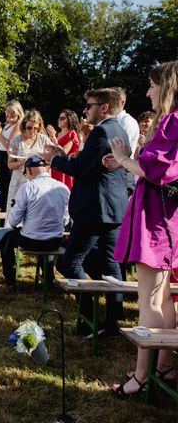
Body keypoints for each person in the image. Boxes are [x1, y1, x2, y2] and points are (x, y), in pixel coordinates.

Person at [105, 62, 178, 397]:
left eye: (151, 85)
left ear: (166, 87)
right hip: (162, 220)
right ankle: (165, 366)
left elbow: (156, 172)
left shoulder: (171, 122)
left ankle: (141, 376)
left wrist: (123, 158)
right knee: (161, 299)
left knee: (147, 298)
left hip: (157, 222)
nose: (148, 92)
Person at [46, 87, 129, 337]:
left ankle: (87, 318)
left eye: (89, 105)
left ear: (103, 107)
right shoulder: (120, 130)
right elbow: (93, 167)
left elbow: (81, 168)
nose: (85, 111)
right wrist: (65, 155)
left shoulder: (102, 131)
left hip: (94, 209)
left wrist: (57, 160)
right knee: (112, 267)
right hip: (114, 209)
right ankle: (113, 323)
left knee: (70, 262)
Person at [0, 155, 69, 288]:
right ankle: (48, 277)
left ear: (29, 170)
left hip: (31, 241)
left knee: (5, 238)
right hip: (54, 241)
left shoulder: (27, 188)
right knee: (45, 236)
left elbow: (13, 221)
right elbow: (66, 219)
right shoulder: (63, 188)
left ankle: (10, 281)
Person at [6, 109, 52, 211]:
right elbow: (9, 165)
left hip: (38, 183)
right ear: (24, 126)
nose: (32, 131)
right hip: (18, 182)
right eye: (29, 127)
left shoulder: (43, 139)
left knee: (36, 213)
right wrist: (21, 163)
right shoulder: (16, 140)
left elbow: (53, 157)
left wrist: (41, 157)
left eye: (36, 128)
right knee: (15, 211)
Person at [0, 100, 23, 212]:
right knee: (3, 188)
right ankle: (3, 214)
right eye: (7, 112)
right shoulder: (7, 126)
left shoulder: (18, 125)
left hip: (9, 158)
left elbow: (9, 145)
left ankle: (7, 216)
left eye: (13, 112)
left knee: (8, 188)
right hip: (0, 156)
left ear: (18, 112)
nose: (10, 115)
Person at [45, 109, 80, 190]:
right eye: (59, 118)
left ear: (70, 120)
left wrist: (54, 138)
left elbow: (63, 152)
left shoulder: (72, 133)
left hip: (64, 168)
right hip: (54, 167)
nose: (59, 120)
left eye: (62, 118)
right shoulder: (57, 134)